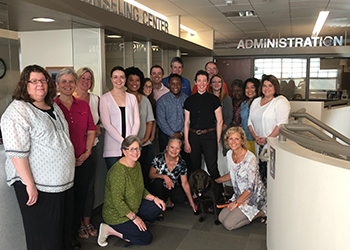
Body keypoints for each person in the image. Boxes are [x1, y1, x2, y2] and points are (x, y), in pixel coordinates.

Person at [1, 65, 75, 250]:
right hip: (39, 187)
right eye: (34, 81)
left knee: (61, 233)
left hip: (61, 184)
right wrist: (30, 185)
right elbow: (17, 154)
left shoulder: (54, 107)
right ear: (24, 85)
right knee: (43, 237)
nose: (40, 85)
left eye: (43, 80)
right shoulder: (18, 110)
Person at [98, 135, 166, 247]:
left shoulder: (137, 165)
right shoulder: (118, 172)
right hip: (117, 214)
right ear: (124, 151)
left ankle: (133, 226)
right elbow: (118, 202)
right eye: (132, 149)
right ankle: (109, 229)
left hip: (134, 206)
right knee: (146, 239)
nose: (136, 152)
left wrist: (155, 198)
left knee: (159, 206)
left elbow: (140, 189)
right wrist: (135, 218)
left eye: (138, 148)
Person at [55, 68, 96, 249]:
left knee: (80, 197)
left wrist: (87, 152)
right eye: (63, 82)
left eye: (71, 81)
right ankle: (66, 236)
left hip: (83, 159)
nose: (67, 85)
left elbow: (91, 129)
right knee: (66, 200)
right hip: (63, 163)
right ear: (57, 85)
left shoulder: (83, 105)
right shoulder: (52, 107)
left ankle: (73, 234)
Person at [216, 127, 267, 230]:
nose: (233, 142)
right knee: (221, 218)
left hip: (253, 198)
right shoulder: (230, 154)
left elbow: (251, 188)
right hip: (239, 194)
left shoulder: (250, 159)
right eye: (230, 139)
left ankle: (261, 212)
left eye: (237, 139)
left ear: (242, 140)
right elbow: (233, 173)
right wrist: (216, 180)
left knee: (229, 225)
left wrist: (236, 203)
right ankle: (240, 210)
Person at [248, 74, 291, 184]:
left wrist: (267, 139)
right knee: (259, 175)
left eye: (270, 85)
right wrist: (255, 137)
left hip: (273, 144)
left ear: (275, 87)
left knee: (272, 177)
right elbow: (250, 122)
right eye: (264, 85)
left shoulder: (280, 101)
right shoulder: (256, 101)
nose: (266, 88)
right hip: (258, 144)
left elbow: (281, 124)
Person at [73, 67, 100, 239]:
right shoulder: (68, 100)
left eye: (89, 78)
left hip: (91, 149)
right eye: (82, 77)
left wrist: (92, 131)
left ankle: (87, 221)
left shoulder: (96, 100)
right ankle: (77, 224)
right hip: (74, 151)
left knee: (89, 187)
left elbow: (99, 125)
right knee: (75, 189)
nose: (86, 81)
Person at [184, 70, 223, 185]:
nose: (201, 83)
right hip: (193, 136)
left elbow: (219, 121)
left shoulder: (214, 100)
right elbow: (187, 122)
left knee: (212, 167)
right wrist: (186, 141)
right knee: (195, 167)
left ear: (208, 83)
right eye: (199, 80)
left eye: (204, 81)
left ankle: (219, 192)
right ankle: (196, 193)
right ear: (195, 82)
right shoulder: (189, 100)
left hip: (209, 136)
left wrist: (217, 139)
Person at [100, 66, 140, 170]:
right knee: (116, 181)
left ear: (125, 79)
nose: (119, 80)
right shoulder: (105, 99)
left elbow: (136, 122)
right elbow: (106, 124)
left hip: (131, 149)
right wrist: (123, 142)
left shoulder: (132, 98)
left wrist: (130, 143)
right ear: (111, 79)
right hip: (112, 149)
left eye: (121, 77)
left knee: (130, 181)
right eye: (115, 77)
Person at [149, 138, 197, 219]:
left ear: (180, 150)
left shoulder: (182, 163)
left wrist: (191, 203)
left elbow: (185, 183)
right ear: (167, 148)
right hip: (159, 186)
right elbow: (151, 175)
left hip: (172, 187)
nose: (174, 150)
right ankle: (158, 208)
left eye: (177, 148)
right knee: (157, 182)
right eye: (172, 147)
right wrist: (164, 176)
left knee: (180, 198)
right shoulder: (159, 158)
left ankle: (169, 199)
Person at [125, 67, 155, 186]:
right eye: (131, 80)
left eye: (137, 80)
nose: (134, 83)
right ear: (126, 81)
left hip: (143, 143)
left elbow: (149, 121)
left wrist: (145, 139)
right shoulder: (122, 98)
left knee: (143, 170)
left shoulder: (145, 100)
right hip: (127, 144)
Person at [157, 73, 188, 152]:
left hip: (184, 138)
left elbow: (189, 118)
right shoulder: (162, 101)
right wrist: (173, 135)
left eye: (178, 84)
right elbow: (161, 121)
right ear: (168, 85)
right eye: (173, 84)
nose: (175, 86)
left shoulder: (187, 99)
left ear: (181, 84)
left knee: (184, 162)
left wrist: (181, 133)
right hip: (166, 138)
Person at [209, 74, 233, 157]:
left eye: (219, 82)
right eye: (214, 82)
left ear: (222, 84)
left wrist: (222, 127)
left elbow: (230, 116)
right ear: (211, 84)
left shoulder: (227, 99)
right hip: (210, 130)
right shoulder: (207, 98)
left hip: (224, 129)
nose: (216, 84)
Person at [141, 77, 157, 183]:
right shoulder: (137, 99)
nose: (148, 88)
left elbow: (153, 121)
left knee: (148, 163)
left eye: (150, 86)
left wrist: (151, 137)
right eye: (146, 86)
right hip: (140, 138)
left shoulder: (152, 101)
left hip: (150, 138)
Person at [240, 78, 260, 153]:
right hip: (245, 139)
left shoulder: (260, 103)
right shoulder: (243, 104)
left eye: (252, 87)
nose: (249, 90)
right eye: (247, 88)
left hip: (258, 139)